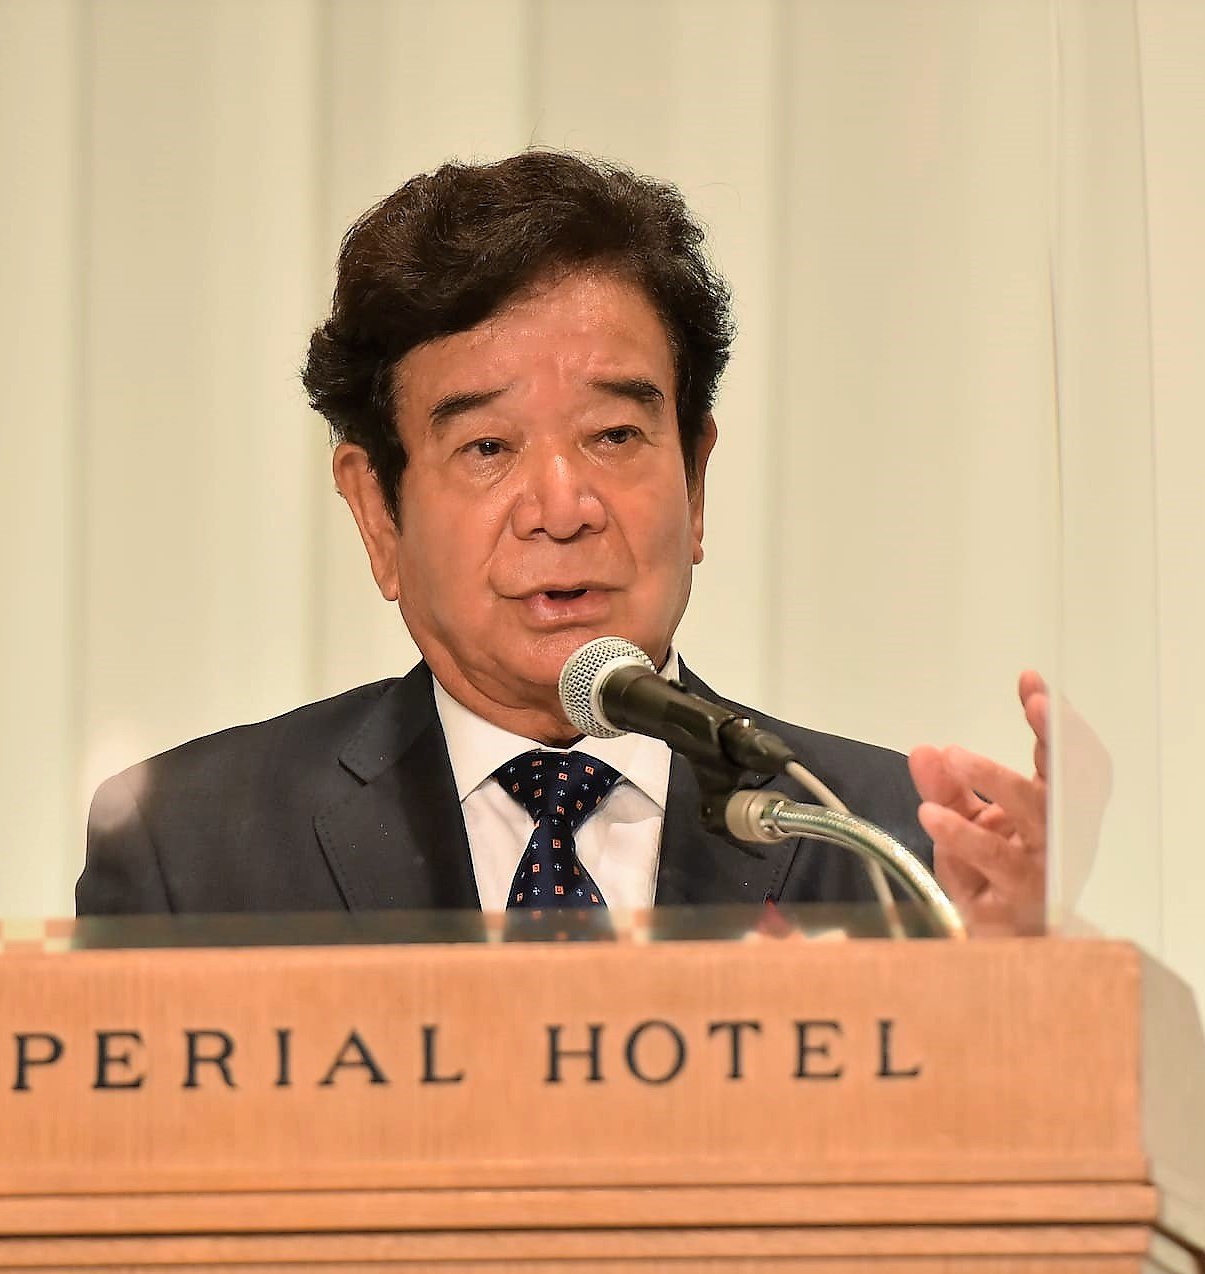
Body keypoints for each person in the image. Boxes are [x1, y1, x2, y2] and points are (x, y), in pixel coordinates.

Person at [78, 151, 1048, 933]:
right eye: (488, 447)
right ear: (377, 511)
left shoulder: (890, 843)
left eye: (614, 435)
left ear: (696, 479)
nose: (563, 506)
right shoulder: (193, 851)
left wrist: (1027, 989)